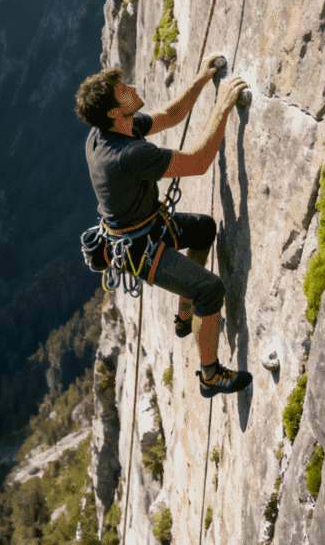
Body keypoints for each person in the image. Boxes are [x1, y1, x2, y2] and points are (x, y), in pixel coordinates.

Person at [75, 60, 252, 397]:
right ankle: (210, 376)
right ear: (114, 112)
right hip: (139, 249)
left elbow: (170, 116)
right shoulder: (128, 154)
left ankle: (186, 312)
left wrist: (202, 78)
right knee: (211, 289)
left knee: (204, 230)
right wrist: (223, 105)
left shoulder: (108, 132)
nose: (132, 90)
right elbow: (199, 163)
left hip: (147, 228)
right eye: (123, 92)